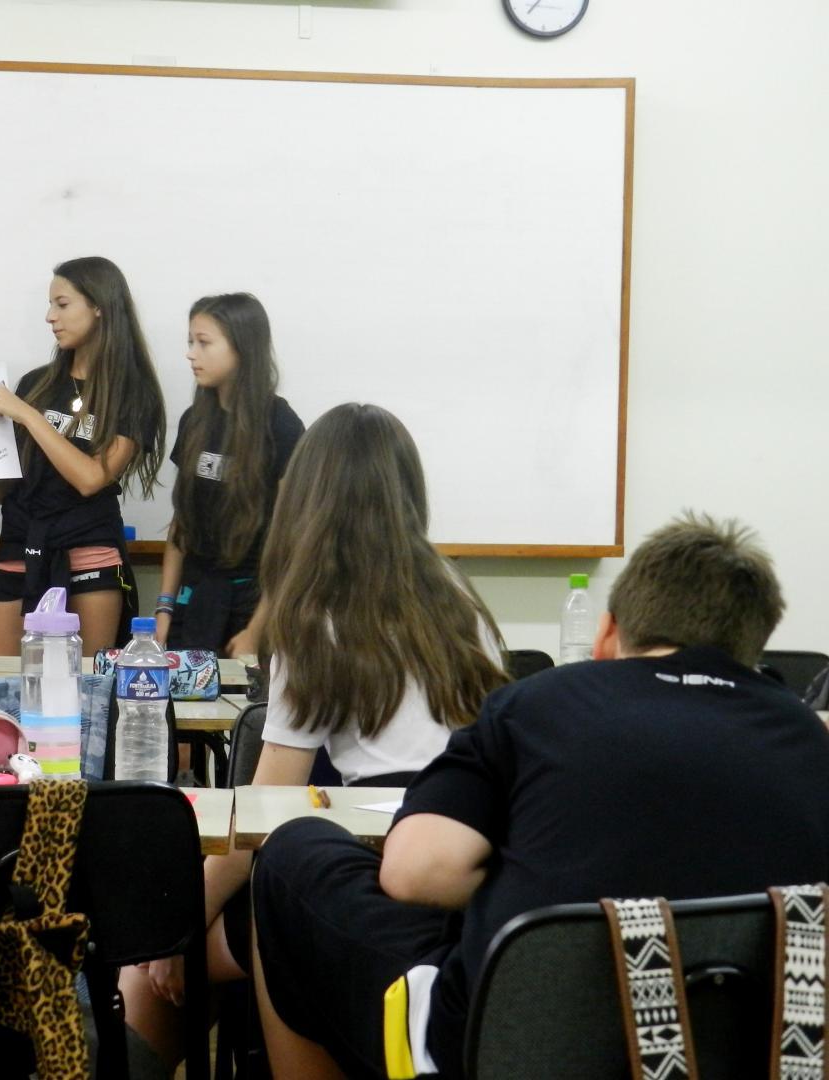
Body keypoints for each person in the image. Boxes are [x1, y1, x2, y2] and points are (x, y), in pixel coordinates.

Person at [251, 512, 829, 1080]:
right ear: (754, 647)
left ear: (605, 635)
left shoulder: (536, 706)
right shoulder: (809, 737)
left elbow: (415, 872)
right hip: (749, 1052)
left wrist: (536, 871)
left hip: (504, 1045)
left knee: (289, 856)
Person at [122, 403, 507, 1067]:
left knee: (150, 970)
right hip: (470, 878)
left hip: (367, 886)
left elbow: (266, 817)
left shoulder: (316, 609)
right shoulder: (460, 599)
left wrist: (174, 930)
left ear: (307, 497)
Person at [0, 256, 165, 655]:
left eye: (62, 304)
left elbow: (91, 478)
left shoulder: (133, 392)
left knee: (86, 694)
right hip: (22, 545)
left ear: (99, 306)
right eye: (50, 305)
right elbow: (9, 486)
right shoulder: (37, 383)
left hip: (90, 553)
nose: (51, 317)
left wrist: (28, 415)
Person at [155, 292, 304, 659]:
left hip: (254, 603)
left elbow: (290, 539)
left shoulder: (281, 425)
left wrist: (256, 630)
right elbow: (181, 524)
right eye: (191, 342)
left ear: (243, 347)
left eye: (204, 343)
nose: (192, 353)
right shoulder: (195, 421)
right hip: (195, 599)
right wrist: (164, 609)